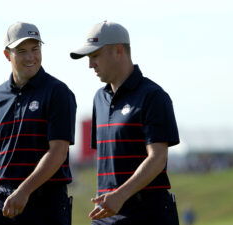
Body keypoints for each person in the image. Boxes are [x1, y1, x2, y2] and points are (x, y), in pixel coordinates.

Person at [70, 21, 180, 225]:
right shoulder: (99, 99)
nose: (90, 64)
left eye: (95, 55)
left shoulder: (153, 96)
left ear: (118, 50)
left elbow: (158, 158)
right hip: (106, 215)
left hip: (148, 215)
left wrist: (120, 196)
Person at [0, 21, 76, 225]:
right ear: (7, 55)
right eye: (22, 51)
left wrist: (24, 191)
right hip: (4, 198)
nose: (31, 57)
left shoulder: (58, 92)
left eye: (35, 49)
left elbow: (58, 152)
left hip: (46, 200)